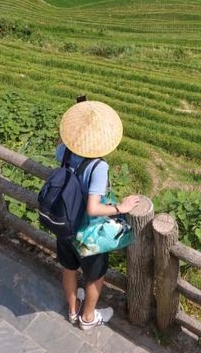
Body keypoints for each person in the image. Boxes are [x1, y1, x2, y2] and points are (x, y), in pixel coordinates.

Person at [55, 99, 140, 330]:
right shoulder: (98, 167)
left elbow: (61, 143)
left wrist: (71, 128)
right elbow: (93, 208)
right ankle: (88, 318)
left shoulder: (63, 151)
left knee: (69, 267)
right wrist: (120, 208)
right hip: (87, 230)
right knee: (95, 275)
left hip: (64, 222)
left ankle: (73, 311)